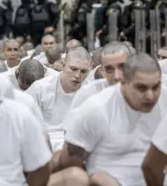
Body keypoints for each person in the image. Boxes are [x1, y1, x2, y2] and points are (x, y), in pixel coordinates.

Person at [57, 53, 166, 186]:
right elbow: (69, 161)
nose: (150, 96)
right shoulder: (96, 108)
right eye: (141, 88)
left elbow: (152, 165)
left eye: (155, 87)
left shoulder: (165, 100)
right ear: (124, 84)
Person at [26, 47, 92, 151]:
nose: (77, 75)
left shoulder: (92, 92)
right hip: (43, 143)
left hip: (76, 144)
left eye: (83, 71)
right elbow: (25, 121)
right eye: (73, 69)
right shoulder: (40, 88)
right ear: (63, 65)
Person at [68, 41, 132, 111]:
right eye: (109, 69)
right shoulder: (87, 96)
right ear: (101, 71)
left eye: (122, 67)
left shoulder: (143, 94)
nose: (117, 76)